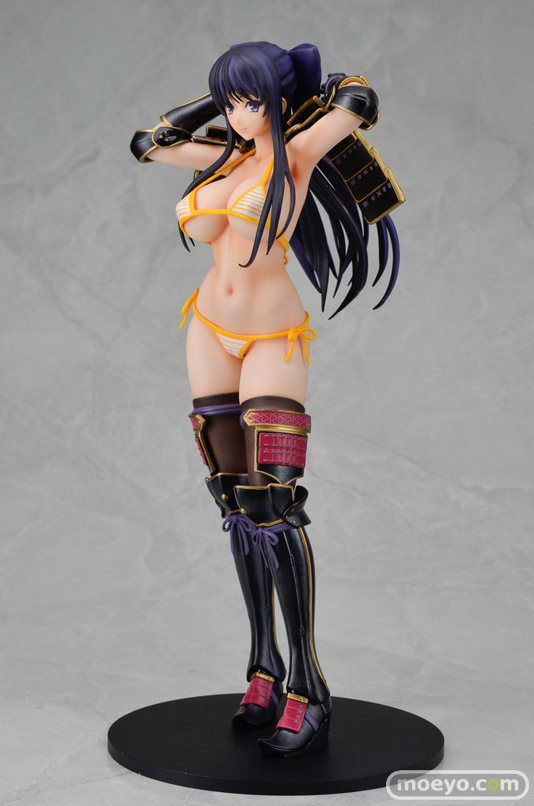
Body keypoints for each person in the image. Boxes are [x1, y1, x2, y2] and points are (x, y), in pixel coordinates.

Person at [130, 41, 401, 758]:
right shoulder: (222, 157)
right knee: (234, 503)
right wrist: (222, 101)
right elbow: (148, 143)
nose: (237, 114)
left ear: (278, 104)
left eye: (249, 101)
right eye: (228, 102)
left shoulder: (297, 155)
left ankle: (310, 685)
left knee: (272, 505)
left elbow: (360, 99)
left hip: (273, 337)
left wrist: (285, 95)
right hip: (207, 330)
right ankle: (263, 668)